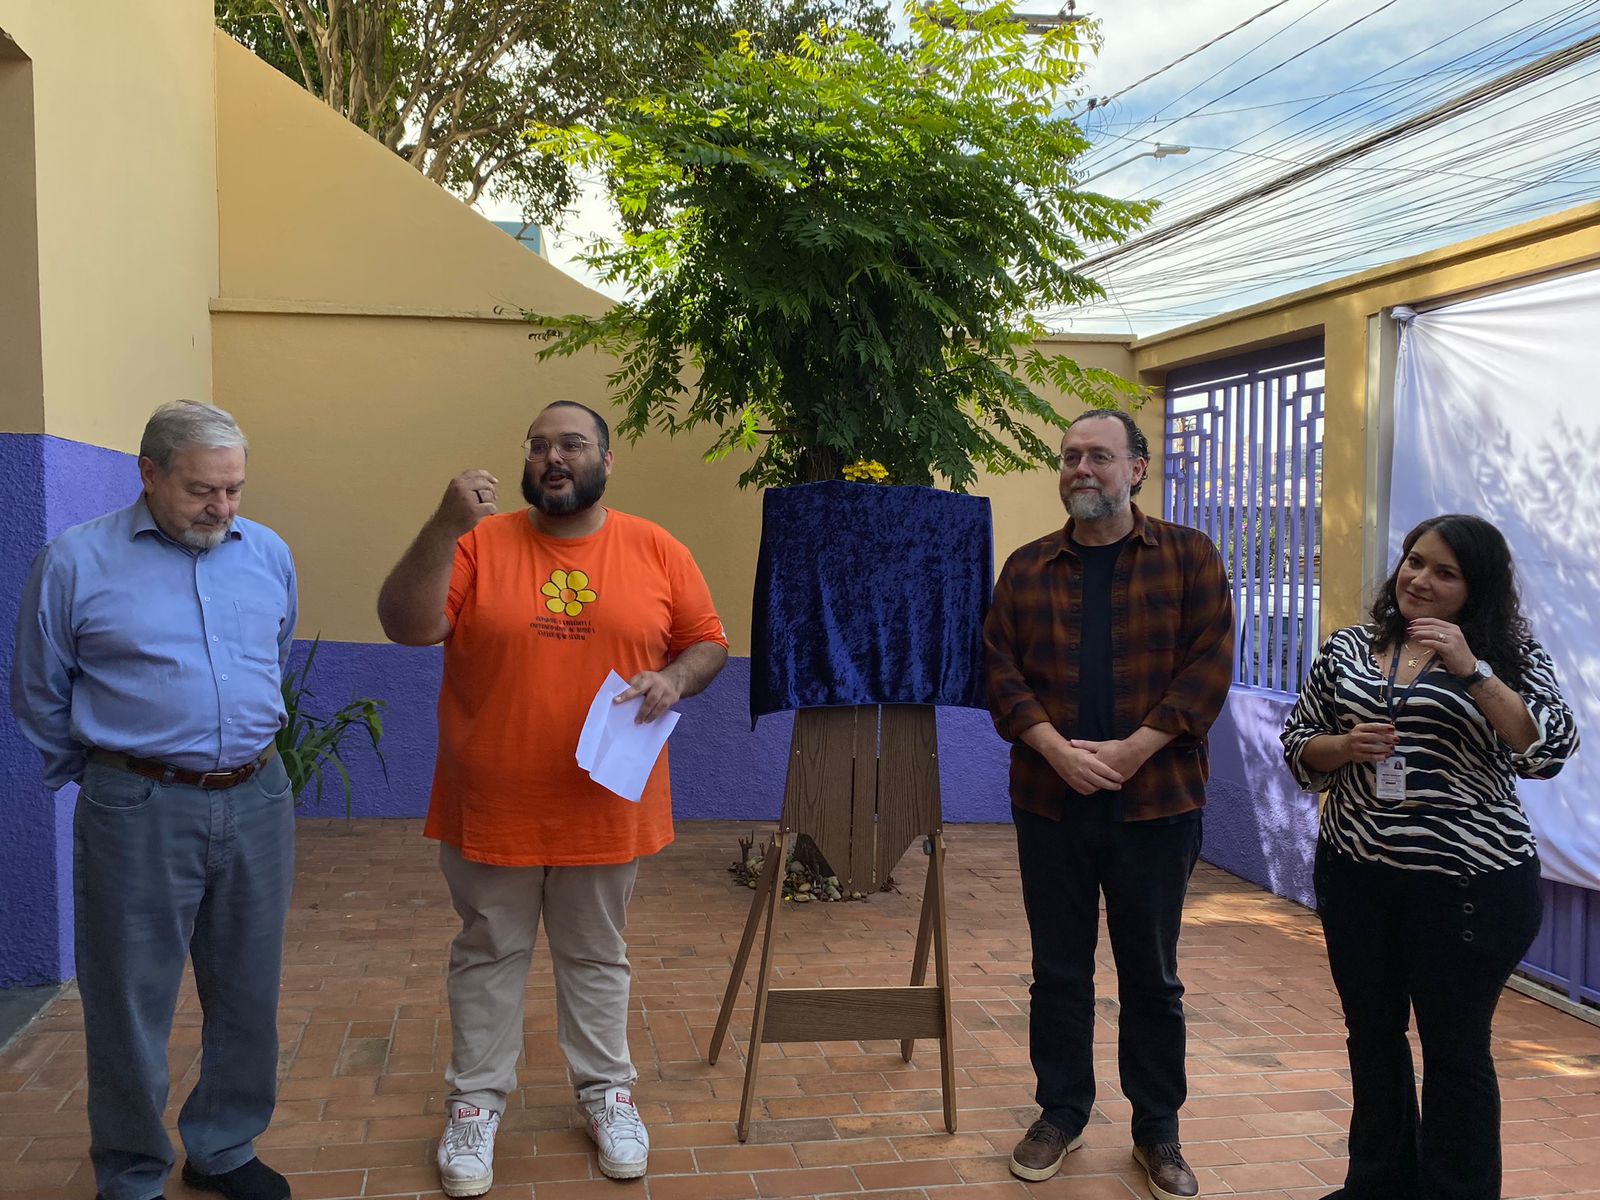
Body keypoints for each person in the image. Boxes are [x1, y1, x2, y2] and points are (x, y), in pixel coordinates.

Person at [377, 400, 728, 1197]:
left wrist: (675, 677)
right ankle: (474, 1105)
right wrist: (442, 523)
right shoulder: (476, 544)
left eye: (572, 444)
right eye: (538, 446)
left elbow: (708, 640)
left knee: (597, 955)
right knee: (488, 952)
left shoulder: (655, 547)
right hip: (490, 802)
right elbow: (405, 623)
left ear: (607, 458)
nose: (553, 458)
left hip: (606, 802)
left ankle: (608, 1095)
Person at [10, 401, 298, 1200]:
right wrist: (115, 772)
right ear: (149, 473)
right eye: (205, 490)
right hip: (137, 804)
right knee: (129, 996)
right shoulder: (75, 561)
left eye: (235, 489)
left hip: (256, 797)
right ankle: (133, 1170)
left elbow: (272, 657)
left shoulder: (267, 553)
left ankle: (225, 1146)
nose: (223, 509)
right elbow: (39, 691)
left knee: (248, 986)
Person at [1281, 513, 1577, 1200]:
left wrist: (1472, 670)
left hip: (1470, 888)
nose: (1420, 579)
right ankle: (1377, 1183)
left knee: (1454, 1049)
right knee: (1372, 1036)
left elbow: (1547, 750)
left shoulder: (1512, 655)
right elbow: (1299, 744)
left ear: (1476, 590)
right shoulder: (1352, 648)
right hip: (1357, 876)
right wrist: (1344, 748)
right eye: (1415, 561)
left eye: (1445, 572)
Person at [984, 409, 1234, 1200]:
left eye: (1098, 456)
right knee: (1057, 972)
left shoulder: (1191, 558)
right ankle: (1060, 1112)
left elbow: (1208, 668)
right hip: (1050, 803)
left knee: (1152, 977)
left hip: (1156, 802)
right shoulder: (1026, 569)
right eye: (1068, 458)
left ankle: (1157, 1130)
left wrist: (1134, 749)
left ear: (1138, 470)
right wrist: (1056, 748)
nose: (1080, 469)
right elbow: (999, 673)